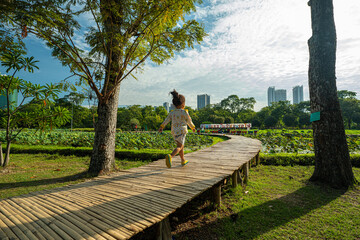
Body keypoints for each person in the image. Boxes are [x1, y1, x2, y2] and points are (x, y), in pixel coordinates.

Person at [158, 90, 196, 168]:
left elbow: (166, 120)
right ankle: (170, 156)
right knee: (180, 146)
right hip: (182, 131)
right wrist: (192, 127)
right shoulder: (184, 112)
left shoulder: (172, 112)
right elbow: (189, 121)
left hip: (174, 131)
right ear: (183, 104)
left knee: (180, 145)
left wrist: (162, 127)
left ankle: (182, 160)